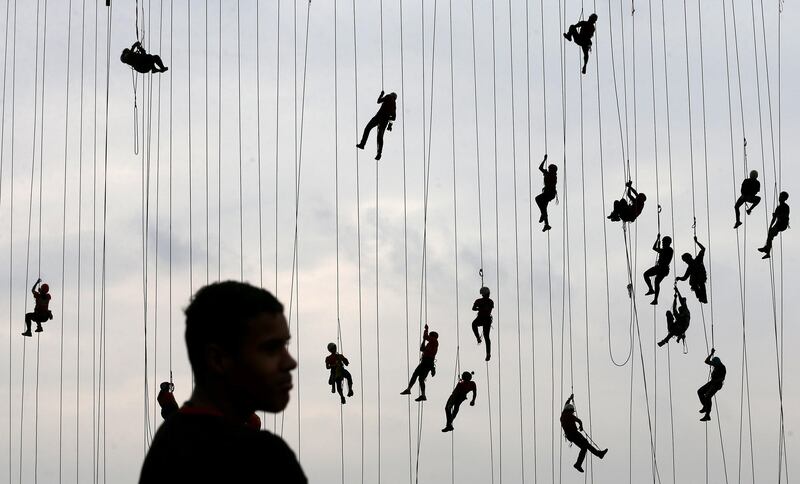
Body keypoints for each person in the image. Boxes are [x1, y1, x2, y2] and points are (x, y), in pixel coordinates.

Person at [139, 281, 306, 484]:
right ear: (218, 359)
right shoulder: (265, 457)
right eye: (271, 349)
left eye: (285, 346)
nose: (290, 362)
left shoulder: (166, 446)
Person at [560, 394, 608, 473]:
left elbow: (566, 404)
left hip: (570, 436)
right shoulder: (570, 416)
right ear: (570, 410)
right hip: (575, 434)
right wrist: (581, 427)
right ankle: (599, 454)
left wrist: (570, 398)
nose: (573, 412)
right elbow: (579, 421)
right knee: (586, 445)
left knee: (584, 448)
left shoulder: (563, 415)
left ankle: (578, 464)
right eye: (572, 411)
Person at [400, 324, 439, 402]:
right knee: (421, 379)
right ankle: (423, 395)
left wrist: (426, 330)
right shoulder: (431, 344)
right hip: (428, 362)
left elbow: (425, 336)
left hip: (426, 362)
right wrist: (424, 340)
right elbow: (422, 349)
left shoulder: (434, 341)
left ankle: (409, 389)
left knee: (415, 374)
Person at [356, 90, 397, 160]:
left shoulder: (388, 96)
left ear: (391, 94)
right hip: (384, 121)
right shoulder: (394, 105)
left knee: (367, 128)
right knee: (380, 137)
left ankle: (362, 144)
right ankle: (379, 153)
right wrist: (389, 124)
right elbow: (393, 117)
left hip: (378, 117)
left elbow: (378, 101)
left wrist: (381, 94)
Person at [676, 236, 708, 304]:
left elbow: (703, 249)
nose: (686, 262)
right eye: (685, 261)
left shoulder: (698, 259)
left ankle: (703, 297)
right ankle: (700, 296)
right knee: (693, 284)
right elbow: (685, 277)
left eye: (686, 260)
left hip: (700, 276)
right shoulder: (689, 268)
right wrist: (679, 278)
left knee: (701, 284)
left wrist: (696, 242)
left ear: (689, 257)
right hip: (696, 279)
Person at [758, 191, 790, 259]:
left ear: (784, 198)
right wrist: (770, 226)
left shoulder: (786, 207)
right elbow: (774, 218)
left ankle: (767, 250)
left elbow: (784, 216)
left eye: (781, 196)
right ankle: (767, 250)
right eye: (780, 196)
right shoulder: (778, 208)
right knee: (770, 234)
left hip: (782, 224)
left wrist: (777, 215)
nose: (779, 197)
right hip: (778, 224)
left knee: (771, 234)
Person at [643, 234, 673, 305]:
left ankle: (654, 296)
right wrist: (657, 239)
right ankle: (652, 291)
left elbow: (662, 253)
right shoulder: (664, 250)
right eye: (662, 242)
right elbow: (654, 248)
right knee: (648, 276)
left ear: (667, 242)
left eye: (663, 242)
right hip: (661, 268)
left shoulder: (669, 250)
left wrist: (659, 245)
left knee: (654, 280)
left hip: (662, 268)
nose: (662, 243)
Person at [697, 348, 726, 422]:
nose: (713, 365)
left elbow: (722, 378)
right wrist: (711, 354)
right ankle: (705, 406)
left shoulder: (722, 367)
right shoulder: (716, 364)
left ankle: (707, 415)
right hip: (712, 382)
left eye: (714, 364)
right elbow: (706, 361)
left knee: (708, 396)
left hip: (717, 384)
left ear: (718, 362)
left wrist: (714, 382)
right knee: (700, 391)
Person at [534, 154, 558, 232]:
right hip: (549, 194)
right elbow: (540, 168)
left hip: (549, 193)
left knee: (537, 199)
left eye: (550, 168)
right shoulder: (548, 173)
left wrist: (544, 160)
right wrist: (544, 160)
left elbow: (550, 184)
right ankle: (546, 224)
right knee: (544, 207)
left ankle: (543, 215)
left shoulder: (553, 176)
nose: (548, 169)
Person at [471, 286, 495, 361]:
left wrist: (479, 308)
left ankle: (488, 353)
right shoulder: (489, 301)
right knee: (486, 336)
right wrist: (480, 308)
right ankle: (478, 338)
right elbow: (474, 308)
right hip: (485, 319)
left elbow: (474, 308)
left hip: (484, 319)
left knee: (485, 335)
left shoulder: (481, 301)